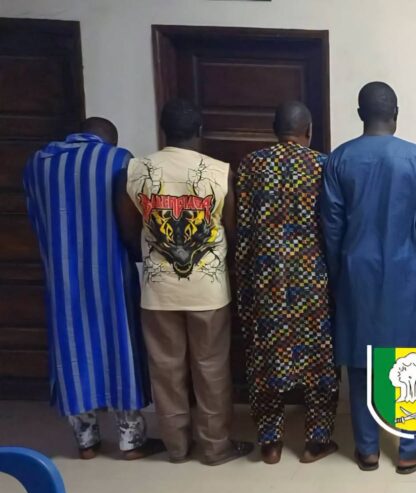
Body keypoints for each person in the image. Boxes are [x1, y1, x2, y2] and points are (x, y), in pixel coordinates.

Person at [116, 99, 253, 465]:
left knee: (165, 370)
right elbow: (232, 230)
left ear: (163, 130)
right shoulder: (220, 172)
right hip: (208, 291)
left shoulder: (135, 170)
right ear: (200, 130)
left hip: (158, 290)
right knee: (212, 368)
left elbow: (128, 231)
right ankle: (215, 447)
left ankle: (176, 447)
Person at [22, 118, 162, 460]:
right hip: (110, 272)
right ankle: (131, 440)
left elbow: (37, 218)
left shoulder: (38, 163)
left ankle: (86, 441)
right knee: (119, 346)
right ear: (108, 140)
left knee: (71, 350)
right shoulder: (118, 160)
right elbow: (130, 219)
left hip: (62, 276)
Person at [320, 82, 416, 474]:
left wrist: (338, 276)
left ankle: (368, 449)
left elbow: (331, 226)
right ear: (396, 113)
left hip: (356, 271)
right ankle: (409, 450)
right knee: (409, 360)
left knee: (361, 361)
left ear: (360, 114)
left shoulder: (339, 159)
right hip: (405, 271)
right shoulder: (415, 158)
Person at [235, 101, 338, 465]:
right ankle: (316, 441)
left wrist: (242, 280)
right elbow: (332, 226)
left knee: (264, 358)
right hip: (313, 279)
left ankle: (270, 443)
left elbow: (242, 229)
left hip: (265, 279)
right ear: (308, 131)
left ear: (274, 129)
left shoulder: (251, 165)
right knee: (319, 360)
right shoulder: (323, 165)